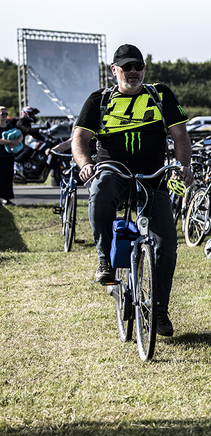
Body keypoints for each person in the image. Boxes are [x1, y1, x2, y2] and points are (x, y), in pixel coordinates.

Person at [71, 44, 193, 337]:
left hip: (153, 178)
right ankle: (105, 260)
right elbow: (80, 138)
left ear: (144, 69)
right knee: (100, 192)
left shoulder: (160, 94)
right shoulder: (99, 100)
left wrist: (183, 165)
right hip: (114, 172)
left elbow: (180, 135)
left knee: (166, 244)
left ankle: (159, 309)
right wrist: (86, 164)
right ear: (115, 71)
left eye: (138, 66)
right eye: (126, 67)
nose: (133, 72)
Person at [0, 106, 22, 205]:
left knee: (8, 177)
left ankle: (6, 198)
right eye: (2, 114)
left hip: (8, 155)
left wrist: (17, 141)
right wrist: (10, 141)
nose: (4, 116)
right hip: (0, 155)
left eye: (6, 114)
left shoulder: (9, 126)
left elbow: (19, 134)